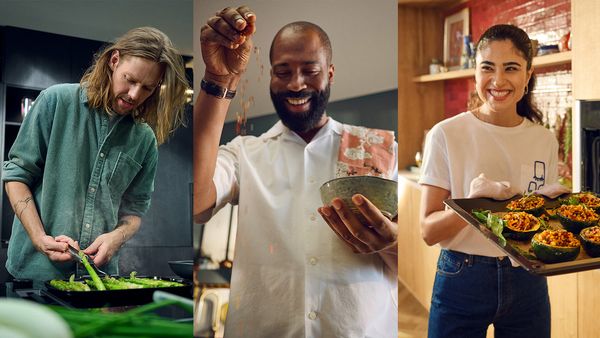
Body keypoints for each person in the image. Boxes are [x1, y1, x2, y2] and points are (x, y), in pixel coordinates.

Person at [194, 6, 398, 337]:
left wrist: (391, 244)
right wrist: (218, 79)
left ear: (330, 73)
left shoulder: (379, 149)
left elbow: (414, 268)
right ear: (271, 75)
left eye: (310, 70)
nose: (296, 83)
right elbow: (198, 204)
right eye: (283, 71)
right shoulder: (244, 153)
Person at [3, 27, 188, 281]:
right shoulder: (55, 101)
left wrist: (116, 237)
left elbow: (134, 212)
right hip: (35, 272)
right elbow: (16, 176)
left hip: (99, 277)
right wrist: (38, 238)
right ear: (114, 61)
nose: (135, 94)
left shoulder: (144, 139)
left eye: (147, 88)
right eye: (130, 79)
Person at [419, 24, 569, 337]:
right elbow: (429, 231)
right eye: (487, 68)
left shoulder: (544, 140)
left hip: (528, 278)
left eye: (511, 68)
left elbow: (540, 226)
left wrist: (554, 208)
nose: (498, 81)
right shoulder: (446, 134)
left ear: (528, 75)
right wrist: (474, 206)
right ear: (474, 72)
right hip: (462, 275)